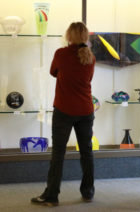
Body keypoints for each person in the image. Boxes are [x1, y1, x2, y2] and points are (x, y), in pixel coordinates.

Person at [31, 22, 96, 206]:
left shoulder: (61, 54)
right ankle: (88, 191)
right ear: (85, 37)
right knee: (87, 152)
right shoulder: (91, 57)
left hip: (64, 110)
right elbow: (88, 78)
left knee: (58, 154)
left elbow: (53, 72)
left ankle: (51, 196)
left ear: (69, 36)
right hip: (85, 110)